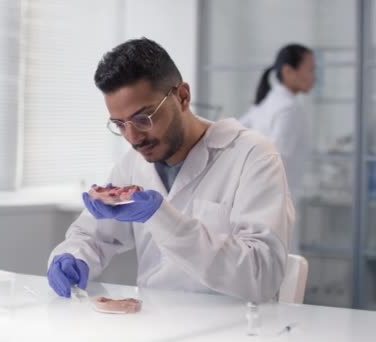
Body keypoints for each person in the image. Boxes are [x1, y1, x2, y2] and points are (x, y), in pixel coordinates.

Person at [46, 38, 294, 304]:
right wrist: (73, 256)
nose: (133, 137)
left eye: (144, 118)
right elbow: (91, 235)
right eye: (120, 124)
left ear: (183, 96)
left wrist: (165, 218)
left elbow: (262, 276)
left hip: (236, 326)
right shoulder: (133, 163)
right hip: (155, 321)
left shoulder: (252, 155)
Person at [240, 44, 315, 202]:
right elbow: (277, 161)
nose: (314, 77)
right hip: (274, 201)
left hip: (258, 198)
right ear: (288, 71)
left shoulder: (268, 101)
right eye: (310, 70)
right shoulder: (290, 109)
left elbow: (235, 133)